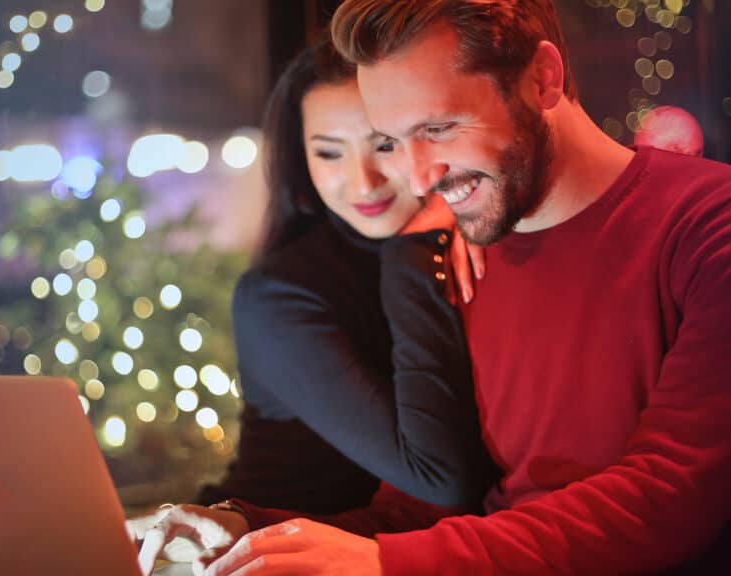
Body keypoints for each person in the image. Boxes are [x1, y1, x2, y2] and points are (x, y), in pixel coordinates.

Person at [137, 2, 731, 575]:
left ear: (543, 79)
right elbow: (425, 512)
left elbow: (668, 499)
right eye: (395, 140)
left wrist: (386, 562)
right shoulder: (468, 252)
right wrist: (250, 534)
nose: (416, 178)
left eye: (438, 128)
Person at [129, 36, 497, 574]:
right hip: (249, 553)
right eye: (328, 152)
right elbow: (441, 478)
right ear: (302, 161)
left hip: (364, 553)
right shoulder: (281, 295)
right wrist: (415, 248)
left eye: (383, 145)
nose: (362, 180)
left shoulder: (467, 247)